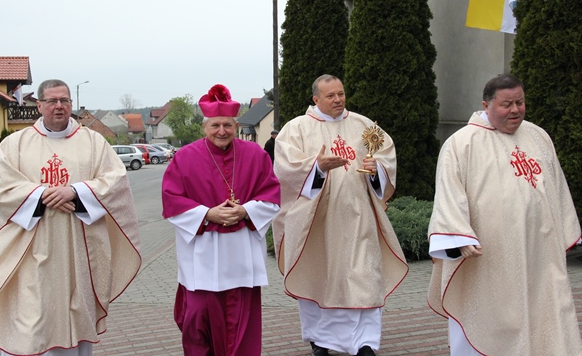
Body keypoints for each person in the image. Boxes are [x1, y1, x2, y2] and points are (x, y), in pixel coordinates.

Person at [0, 79, 142, 356]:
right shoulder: (16, 144)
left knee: (76, 315)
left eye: (64, 100)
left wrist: (75, 192)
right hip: (32, 252)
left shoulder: (93, 142)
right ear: (39, 105)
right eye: (52, 101)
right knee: (31, 319)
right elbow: (3, 190)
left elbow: (116, 182)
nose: (59, 106)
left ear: (71, 104)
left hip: (80, 251)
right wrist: (41, 195)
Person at [427, 74, 582, 355]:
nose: (515, 110)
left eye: (520, 102)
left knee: (543, 313)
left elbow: (557, 187)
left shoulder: (538, 136)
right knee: (488, 318)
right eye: (506, 104)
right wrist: (458, 236)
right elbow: (449, 193)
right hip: (489, 256)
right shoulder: (461, 144)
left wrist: (566, 230)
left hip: (539, 254)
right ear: (486, 105)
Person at [273, 74, 408, 356]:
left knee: (365, 277)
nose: (338, 100)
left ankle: (365, 343)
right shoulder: (296, 129)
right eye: (331, 96)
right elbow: (284, 172)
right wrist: (317, 168)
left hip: (359, 218)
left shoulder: (363, 125)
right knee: (319, 279)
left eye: (341, 93)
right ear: (316, 99)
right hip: (316, 223)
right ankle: (320, 341)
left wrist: (377, 170)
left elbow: (386, 157)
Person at [162, 84, 281, 355]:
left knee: (241, 324)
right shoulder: (184, 157)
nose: (221, 131)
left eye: (227, 125)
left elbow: (272, 195)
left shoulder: (256, 155)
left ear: (236, 126)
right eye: (215, 125)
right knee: (197, 318)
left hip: (241, 254)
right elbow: (171, 200)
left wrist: (245, 211)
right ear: (204, 126)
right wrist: (207, 214)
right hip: (202, 255)